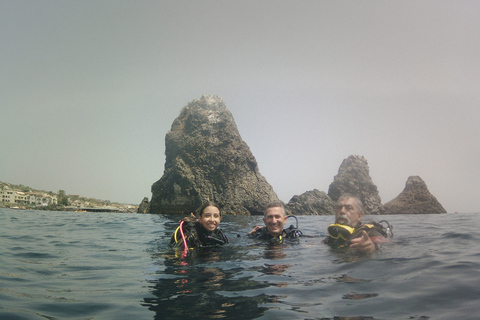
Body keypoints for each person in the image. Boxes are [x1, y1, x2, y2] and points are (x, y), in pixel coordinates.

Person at [323, 194, 392, 253]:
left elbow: (388, 246)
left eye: (348, 208)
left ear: (359, 216)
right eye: (339, 207)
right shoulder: (333, 235)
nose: (342, 211)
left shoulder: (369, 233)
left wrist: (373, 247)